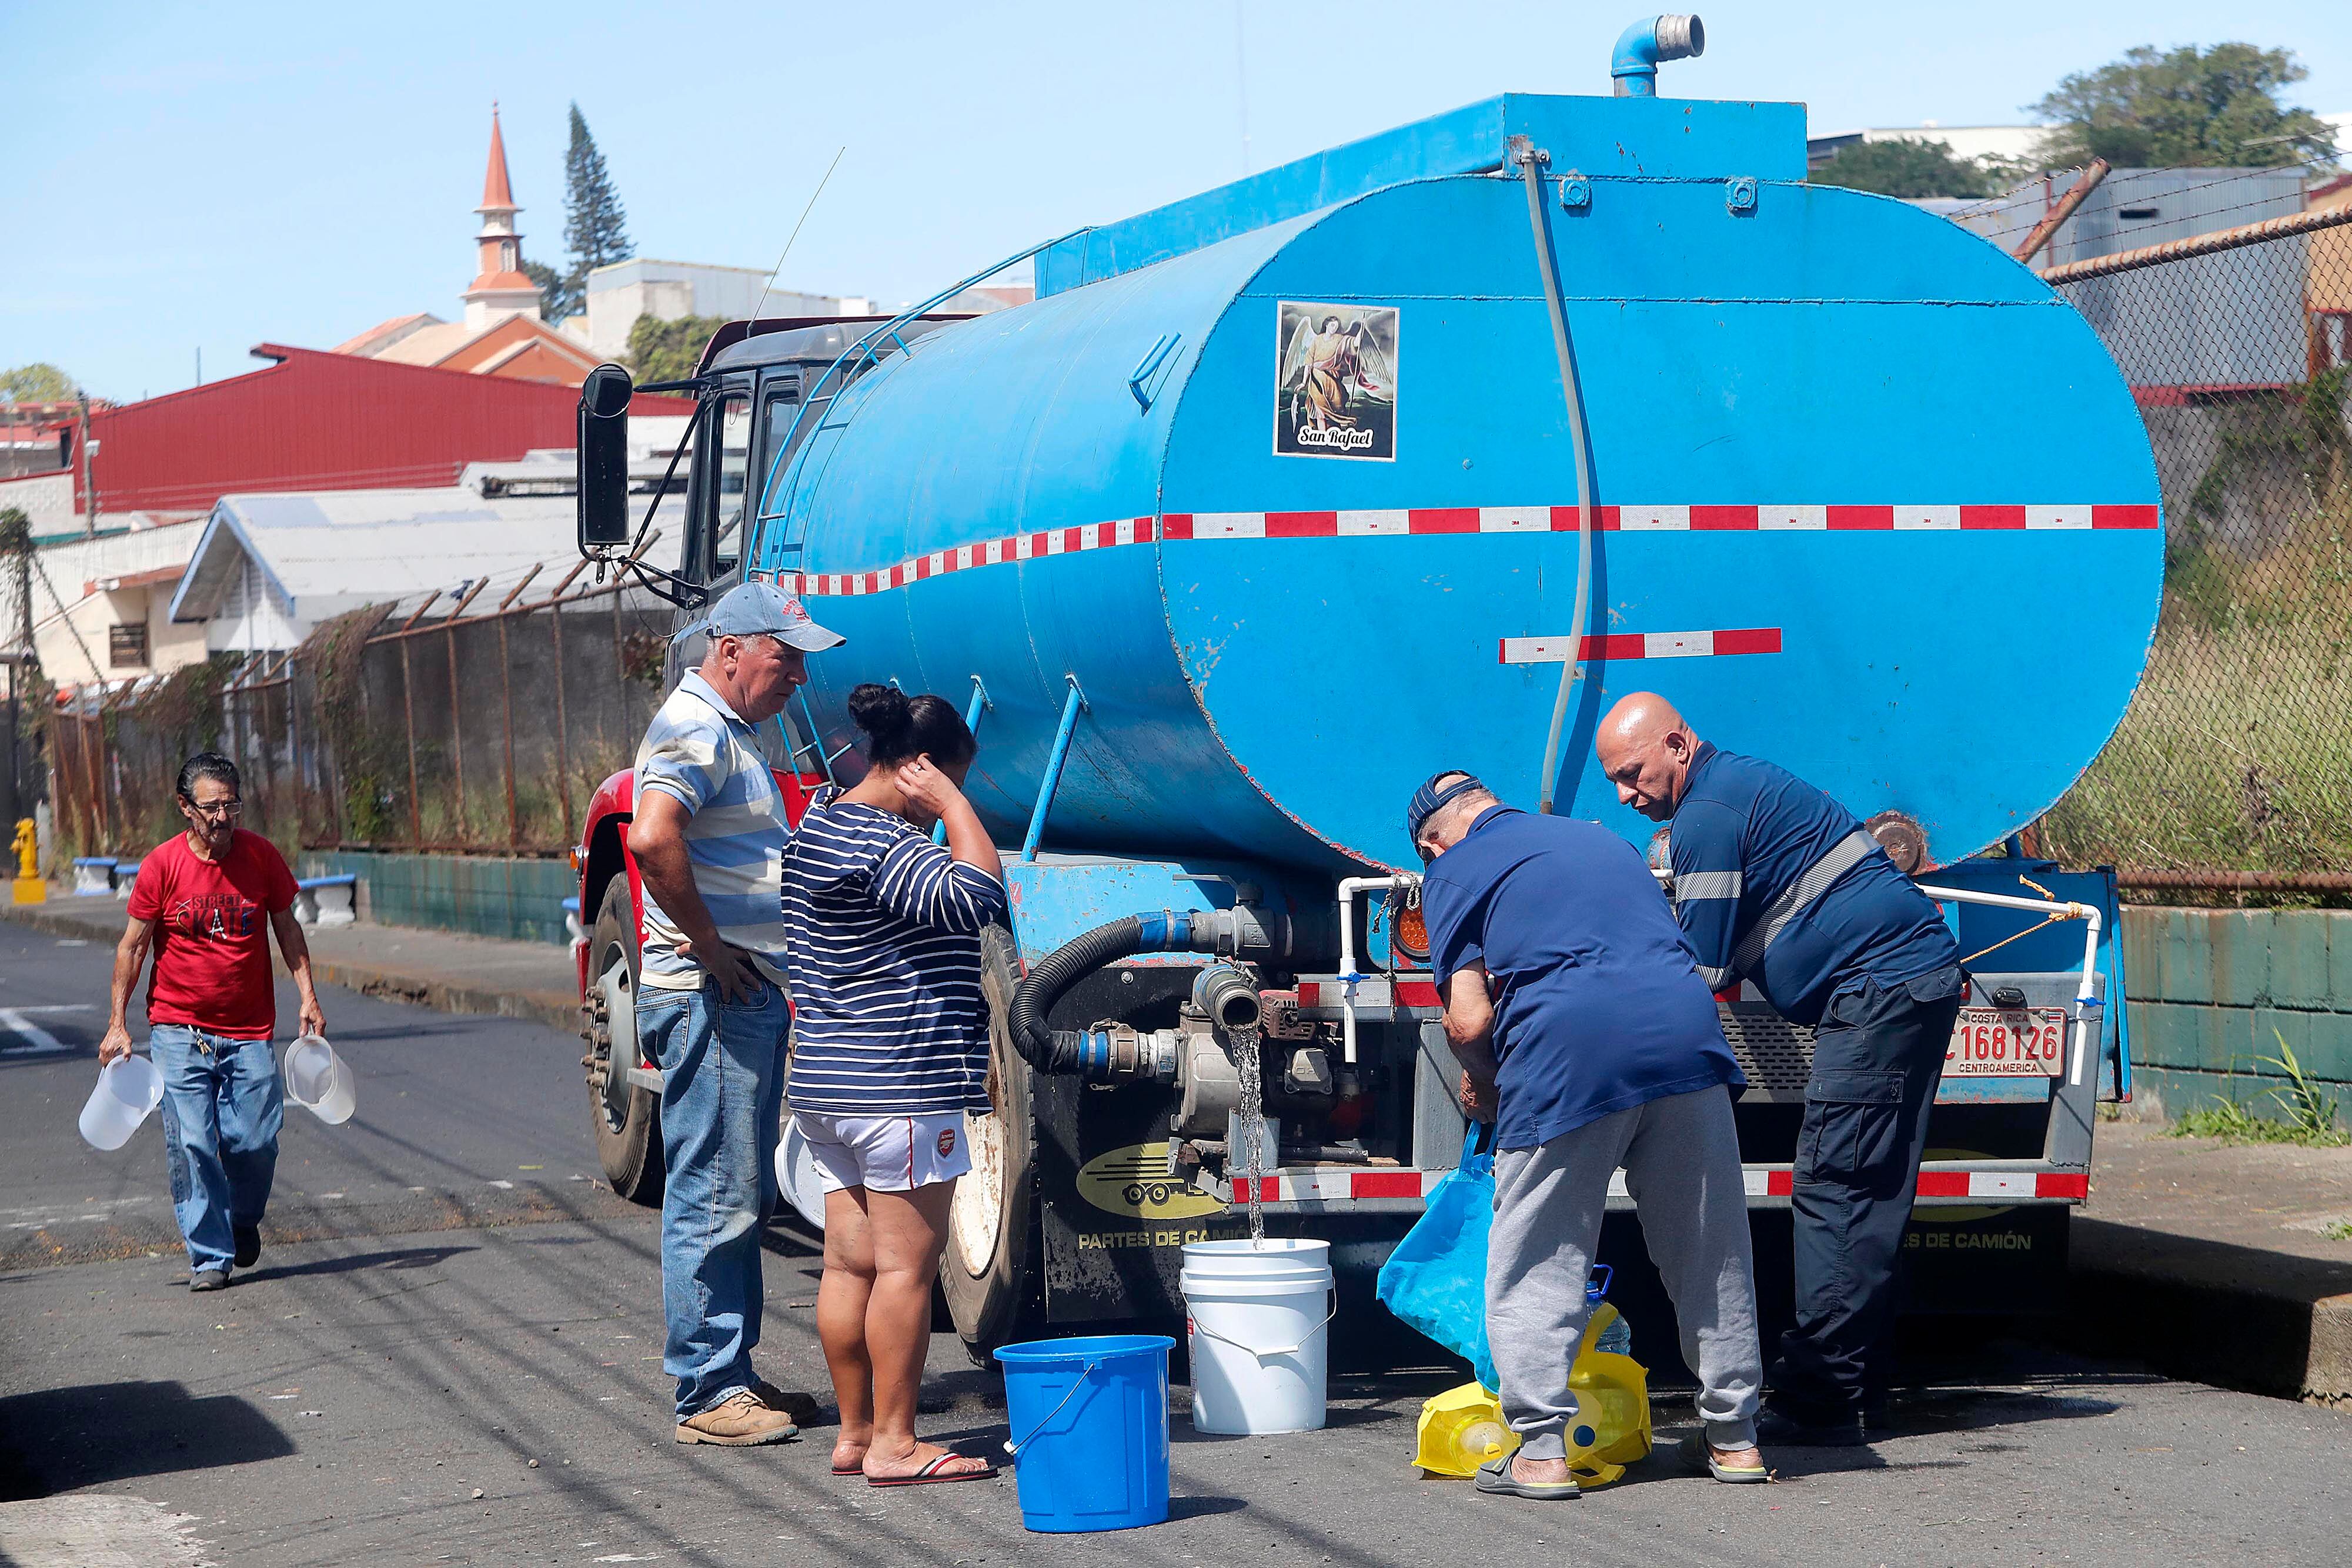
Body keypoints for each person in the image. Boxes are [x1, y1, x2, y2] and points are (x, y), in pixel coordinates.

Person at [1596, 694, 1964, 1446]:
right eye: (1615, 783)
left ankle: (1819, 1399)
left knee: (1835, 1192)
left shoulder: (1706, 817)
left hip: (1877, 994)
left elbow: (1697, 975)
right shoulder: (1735, 787)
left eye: (1633, 775)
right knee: (1868, 1195)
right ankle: (1854, 1393)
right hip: (1902, 984)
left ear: (1676, 744)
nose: (1627, 796)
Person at [1409, 770, 1768, 1500]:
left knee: (1540, 1251)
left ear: (1430, 842)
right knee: (1710, 1248)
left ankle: (1540, 1453)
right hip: (1685, 1041)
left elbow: (1470, 1019)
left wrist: (1484, 1081)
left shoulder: (1452, 869)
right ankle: (1734, 1439)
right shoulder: (1601, 841)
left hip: (1570, 1054)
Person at [626, 581, 842, 1447]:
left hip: (734, 991)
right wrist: (712, 947)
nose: (796, 677)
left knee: (735, 1192)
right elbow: (650, 837)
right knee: (715, 1191)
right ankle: (709, 1388)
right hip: (710, 993)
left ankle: (732, 1372)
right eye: (784, 658)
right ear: (731, 652)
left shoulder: (729, 729)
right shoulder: (695, 725)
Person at [782, 684, 1007, 1488]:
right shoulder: (890, 844)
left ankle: (854, 1431)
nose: (954, 796)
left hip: (828, 1085)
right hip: (901, 1083)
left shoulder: (817, 825)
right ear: (919, 768)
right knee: (907, 1269)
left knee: (850, 1267)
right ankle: (897, 1442)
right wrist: (950, 804)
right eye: (954, 777)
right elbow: (982, 895)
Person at [98, 753, 323, 1290]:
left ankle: (242, 1219)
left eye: (232, 804)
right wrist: (117, 1022)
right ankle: (209, 1256)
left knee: (257, 1138)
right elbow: (132, 947)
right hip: (178, 1026)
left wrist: (309, 997)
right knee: (194, 1140)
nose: (223, 817)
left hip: (248, 1030)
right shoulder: (161, 866)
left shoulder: (262, 858)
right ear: (185, 808)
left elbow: (288, 930)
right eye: (211, 807)